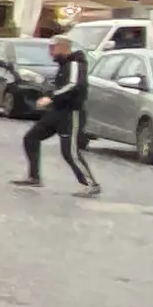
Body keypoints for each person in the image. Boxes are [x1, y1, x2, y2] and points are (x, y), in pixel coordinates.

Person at [16, 36, 99, 193]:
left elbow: (74, 86)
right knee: (31, 138)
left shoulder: (75, 63)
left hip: (71, 114)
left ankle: (91, 184)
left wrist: (51, 97)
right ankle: (34, 177)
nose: (50, 52)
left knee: (69, 152)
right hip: (56, 111)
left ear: (63, 47)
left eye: (52, 48)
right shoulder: (64, 65)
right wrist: (47, 93)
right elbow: (60, 85)